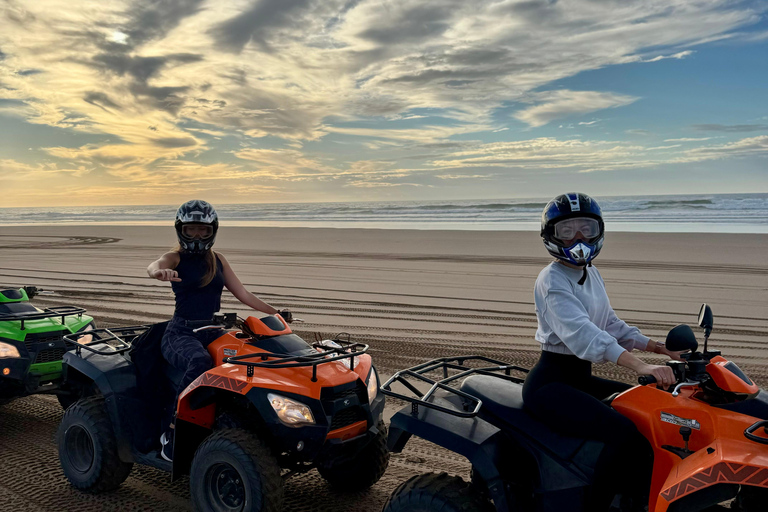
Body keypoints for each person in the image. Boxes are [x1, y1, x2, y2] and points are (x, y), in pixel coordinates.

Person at [522, 192, 683, 512]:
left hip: (579, 379)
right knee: (622, 433)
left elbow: (609, 323)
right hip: (551, 385)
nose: (579, 237)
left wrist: (658, 347)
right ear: (551, 236)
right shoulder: (552, 279)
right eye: (567, 231)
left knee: (647, 410)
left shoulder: (590, 272)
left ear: (599, 231)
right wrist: (643, 366)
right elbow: (585, 335)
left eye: (586, 228)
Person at [147, 199, 292, 461]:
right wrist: (159, 273)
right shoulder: (175, 257)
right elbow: (155, 264)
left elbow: (243, 293)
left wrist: (274, 313)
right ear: (181, 229)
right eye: (191, 229)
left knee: (252, 356)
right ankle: (171, 431)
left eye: (204, 229)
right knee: (199, 361)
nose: (198, 235)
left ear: (213, 230)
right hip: (181, 333)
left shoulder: (218, 260)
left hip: (213, 330)